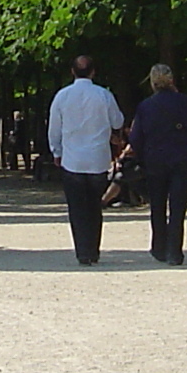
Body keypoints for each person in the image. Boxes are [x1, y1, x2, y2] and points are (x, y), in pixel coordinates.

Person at [48, 55, 125, 265]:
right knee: (94, 206)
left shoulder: (62, 96)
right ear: (93, 72)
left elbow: (54, 128)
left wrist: (57, 152)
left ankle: (82, 251)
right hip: (98, 160)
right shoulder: (104, 95)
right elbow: (118, 120)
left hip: (72, 160)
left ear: (72, 72)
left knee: (77, 208)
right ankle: (94, 249)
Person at [126, 62, 187, 264]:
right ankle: (175, 251)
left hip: (155, 160)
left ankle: (159, 247)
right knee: (178, 206)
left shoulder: (146, 106)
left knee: (157, 205)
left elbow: (137, 136)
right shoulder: (184, 101)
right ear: (172, 80)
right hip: (182, 158)